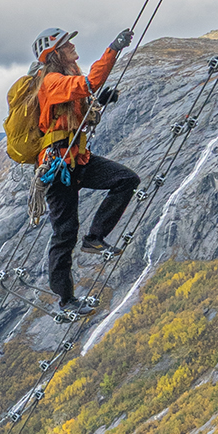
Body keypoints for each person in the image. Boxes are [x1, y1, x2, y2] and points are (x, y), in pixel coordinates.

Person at [31, 26, 139, 316]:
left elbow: (78, 113)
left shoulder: (62, 80)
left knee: (126, 179)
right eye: (67, 46)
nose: (73, 48)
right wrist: (113, 49)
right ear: (55, 54)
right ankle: (66, 299)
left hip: (76, 159)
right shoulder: (51, 81)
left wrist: (100, 102)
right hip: (58, 166)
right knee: (64, 234)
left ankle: (95, 238)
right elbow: (90, 82)